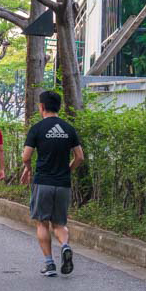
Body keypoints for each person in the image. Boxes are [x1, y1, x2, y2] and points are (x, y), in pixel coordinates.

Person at [22, 90, 84, 277]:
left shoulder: (37, 129)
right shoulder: (68, 128)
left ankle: (49, 264)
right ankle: (65, 246)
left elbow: (26, 156)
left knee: (42, 223)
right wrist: (68, 170)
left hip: (43, 182)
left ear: (42, 107)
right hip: (63, 183)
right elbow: (79, 157)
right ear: (59, 107)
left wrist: (28, 168)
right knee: (59, 223)